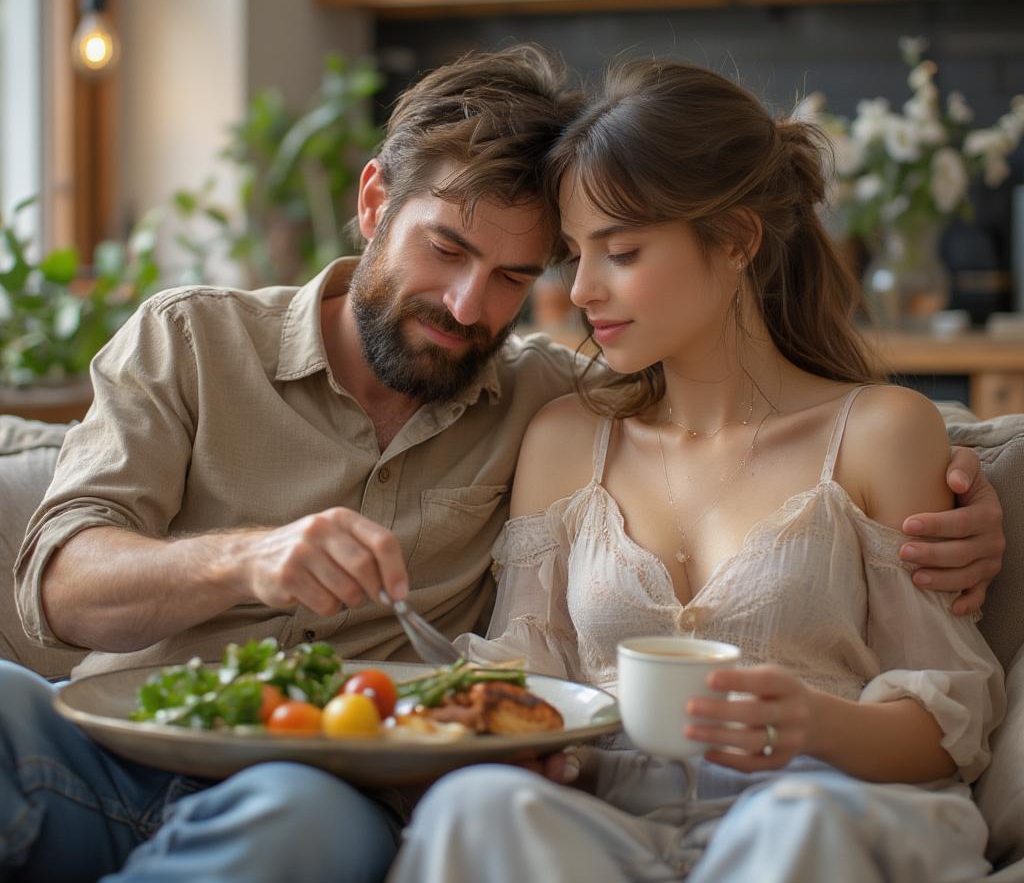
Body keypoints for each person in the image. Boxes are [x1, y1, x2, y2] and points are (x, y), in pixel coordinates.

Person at [0, 46, 1003, 883]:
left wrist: (972, 480)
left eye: (522, 274)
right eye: (446, 249)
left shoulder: (546, 395)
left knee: (311, 817)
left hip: (309, 791)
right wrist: (244, 561)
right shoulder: (193, 342)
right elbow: (57, 585)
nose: (474, 305)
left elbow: (808, 421)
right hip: (118, 742)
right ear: (373, 200)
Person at [388, 58, 1008, 883]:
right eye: (574, 255)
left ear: (737, 241)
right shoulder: (566, 439)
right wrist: (537, 752)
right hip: (616, 824)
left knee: (797, 820)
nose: (583, 290)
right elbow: (527, 683)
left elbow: (950, 722)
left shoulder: (879, 433)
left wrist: (814, 722)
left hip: (821, 804)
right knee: (475, 808)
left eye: (623, 251)